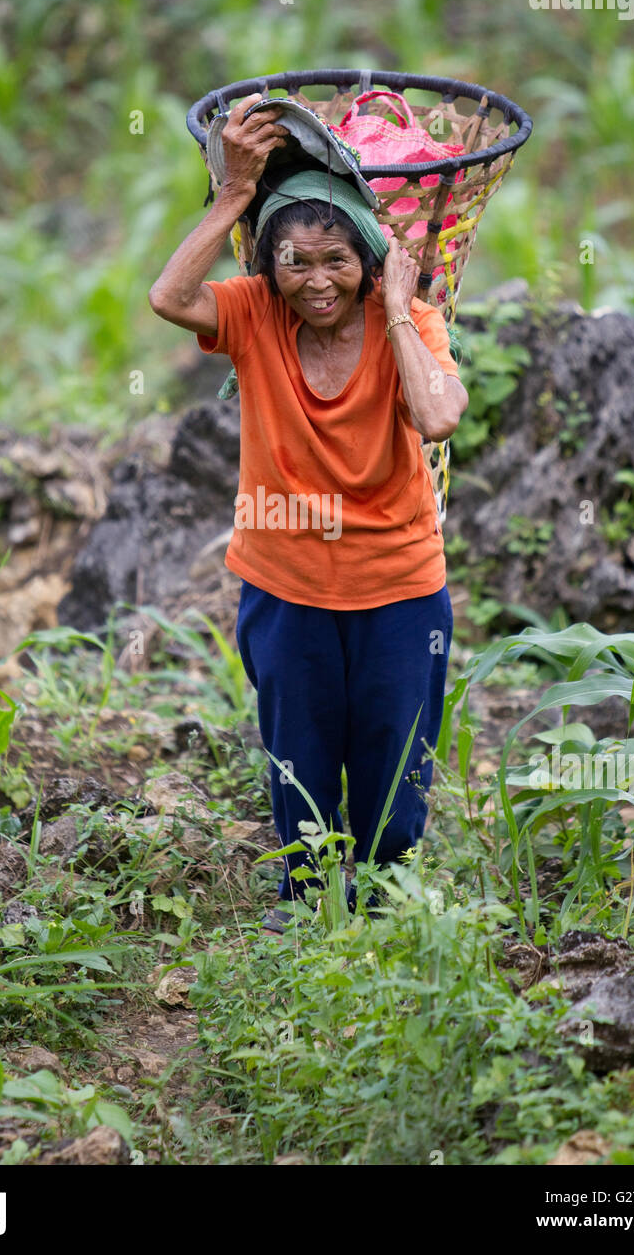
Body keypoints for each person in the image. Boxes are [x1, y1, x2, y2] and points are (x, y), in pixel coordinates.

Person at [149, 93, 469, 933]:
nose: (317, 281)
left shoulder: (410, 322)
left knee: (395, 782)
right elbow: (169, 297)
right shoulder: (255, 316)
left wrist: (399, 306)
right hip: (286, 589)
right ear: (270, 266)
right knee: (301, 766)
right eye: (295, 261)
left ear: (368, 257)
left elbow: (436, 416)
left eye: (337, 259)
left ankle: (384, 915)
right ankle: (304, 917)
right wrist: (232, 197)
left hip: (399, 589)